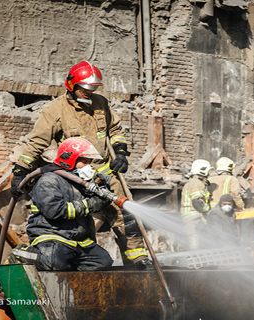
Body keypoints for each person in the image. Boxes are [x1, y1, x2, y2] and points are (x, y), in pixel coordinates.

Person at [9, 61, 151, 269]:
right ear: (72, 86)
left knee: (124, 214)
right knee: (79, 217)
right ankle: (57, 257)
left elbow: (116, 130)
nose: (89, 93)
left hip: (105, 170)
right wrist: (21, 171)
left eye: (93, 89)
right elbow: (37, 142)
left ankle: (136, 259)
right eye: (85, 89)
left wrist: (120, 153)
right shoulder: (55, 110)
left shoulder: (101, 103)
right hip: (75, 175)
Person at [9, 137, 113, 271]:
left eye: (90, 162)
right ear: (70, 159)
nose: (89, 166)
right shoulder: (48, 180)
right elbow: (55, 211)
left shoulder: (80, 181)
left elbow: (97, 201)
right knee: (54, 262)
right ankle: (21, 253)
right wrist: (90, 205)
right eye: (85, 162)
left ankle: (69, 270)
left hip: (78, 239)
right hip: (52, 235)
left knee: (103, 262)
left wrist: (103, 189)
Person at [181, 159, 212, 250]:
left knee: (193, 239)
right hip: (194, 217)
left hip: (190, 217)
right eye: (208, 172)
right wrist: (208, 210)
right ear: (203, 171)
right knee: (196, 241)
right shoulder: (197, 183)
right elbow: (197, 201)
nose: (209, 175)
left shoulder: (191, 182)